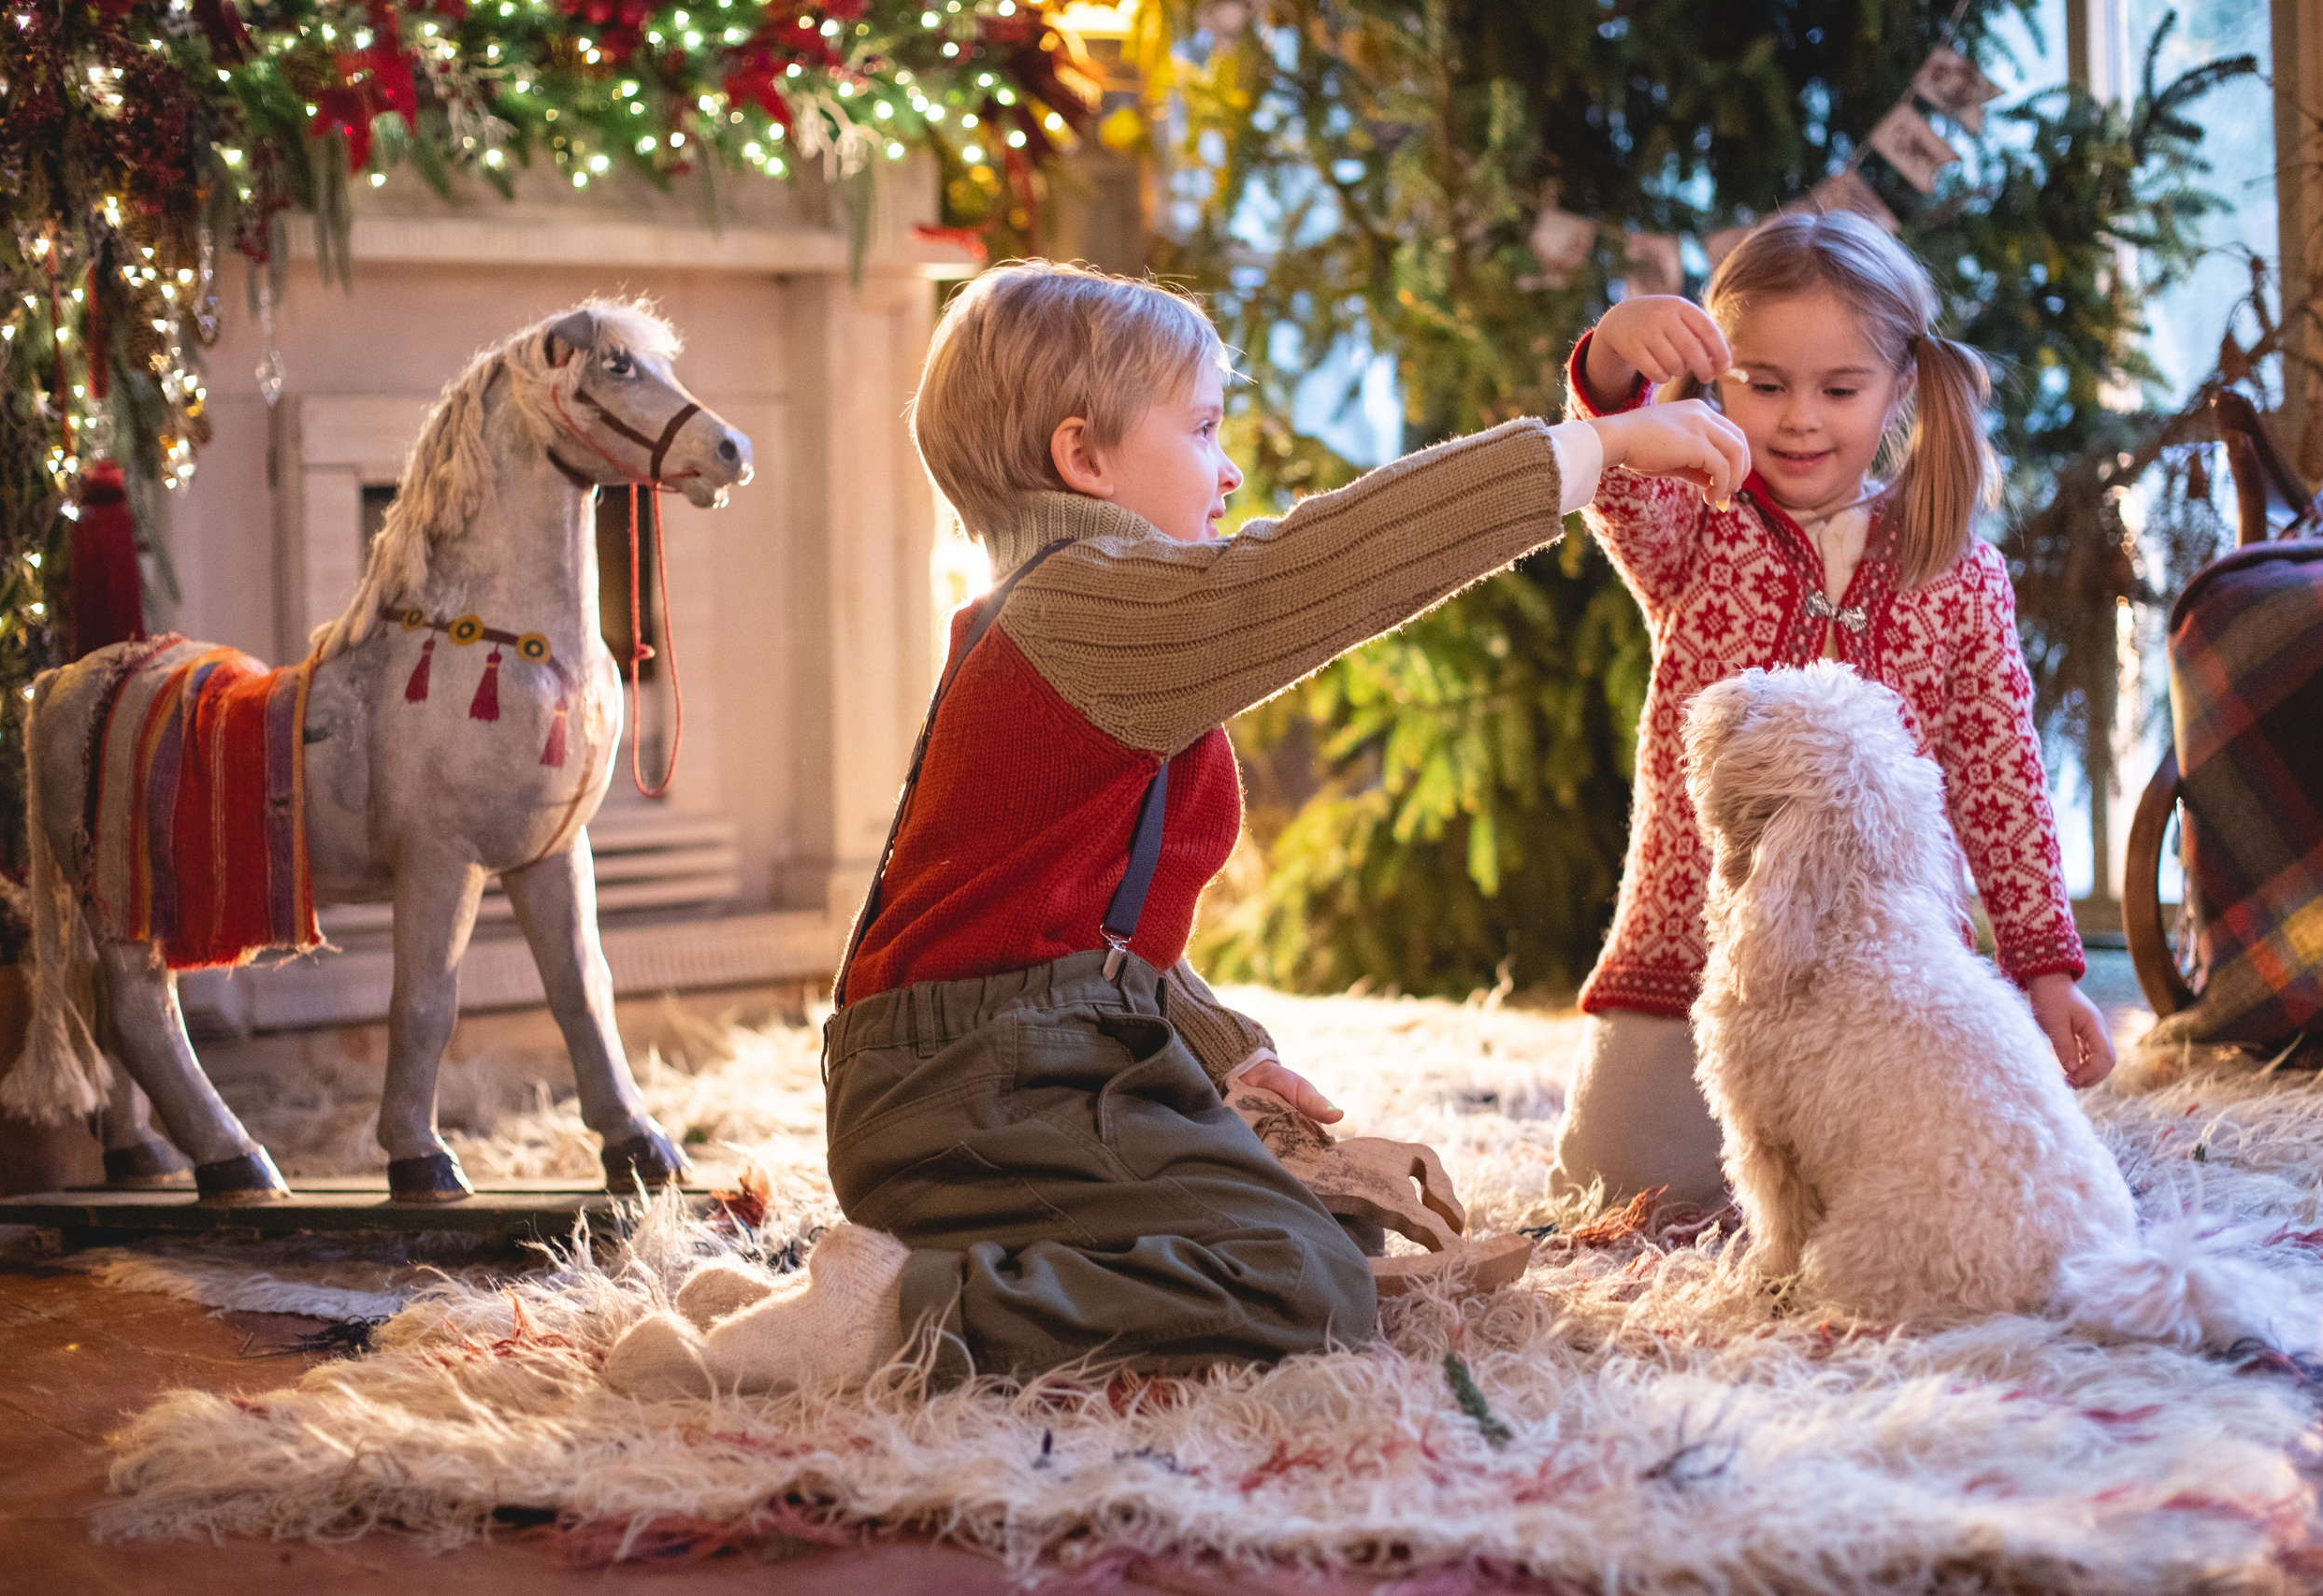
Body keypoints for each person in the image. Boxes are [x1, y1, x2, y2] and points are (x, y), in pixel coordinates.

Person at [606, 260, 1748, 1396]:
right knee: (1299, 1284)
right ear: (1082, 458)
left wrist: (1224, 1049)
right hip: (973, 1086)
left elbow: (1076, 928)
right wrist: (1587, 452)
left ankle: (849, 1289)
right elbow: (1317, 568)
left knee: (1317, 1224)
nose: (1231, 464)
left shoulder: (1072, 613)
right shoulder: (1087, 603)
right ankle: (902, 1316)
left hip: (999, 1058)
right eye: (1203, 428)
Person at [1551, 208, 2114, 1212]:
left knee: (1924, 1194)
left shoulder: (1957, 572)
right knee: (1623, 1194)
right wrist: (1609, 368)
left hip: (1893, 969)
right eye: (1763, 386)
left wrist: (2044, 967)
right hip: (1691, 955)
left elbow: (2000, 779)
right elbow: (1615, 474)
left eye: (1838, 389)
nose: (1798, 418)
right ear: (1720, 380)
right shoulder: (1696, 529)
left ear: (1898, 388)